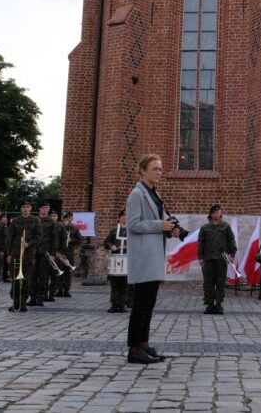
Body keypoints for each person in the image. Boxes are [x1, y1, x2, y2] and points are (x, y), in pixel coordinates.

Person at [126, 153, 181, 365]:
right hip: (144, 257)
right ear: (142, 171)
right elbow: (133, 224)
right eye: (155, 169)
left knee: (148, 304)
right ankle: (134, 348)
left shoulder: (154, 193)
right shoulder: (136, 195)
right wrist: (161, 226)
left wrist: (169, 230)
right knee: (141, 304)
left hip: (154, 254)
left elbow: (156, 222)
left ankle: (144, 344)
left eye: (160, 169)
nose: (159, 172)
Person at [198, 204, 237, 315]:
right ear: (211, 214)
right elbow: (201, 243)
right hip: (208, 259)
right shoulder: (205, 228)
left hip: (221, 258)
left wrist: (232, 254)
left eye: (218, 212)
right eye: (214, 212)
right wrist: (200, 257)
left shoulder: (226, 227)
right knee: (208, 283)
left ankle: (218, 304)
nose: (216, 214)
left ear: (221, 214)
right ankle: (210, 305)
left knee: (220, 282)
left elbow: (231, 241)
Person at [5, 199, 41, 312]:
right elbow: (9, 238)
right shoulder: (15, 221)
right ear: (21, 209)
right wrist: (9, 254)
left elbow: (38, 237)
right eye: (23, 207)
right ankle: (15, 303)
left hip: (28, 254)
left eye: (28, 207)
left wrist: (28, 244)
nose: (25, 209)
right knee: (15, 279)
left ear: (31, 208)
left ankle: (23, 303)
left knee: (26, 280)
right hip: (15, 253)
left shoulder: (35, 221)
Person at [104, 210, 129, 313]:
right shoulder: (114, 230)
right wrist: (111, 246)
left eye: (126, 216)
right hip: (115, 260)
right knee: (114, 284)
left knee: (124, 284)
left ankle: (122, 305)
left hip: (127, 260)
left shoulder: (131, 231)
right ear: (119, 218)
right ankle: (114, 305)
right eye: (122, 216)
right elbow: (106, 242)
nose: (124, 218)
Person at [33, 202, 58, 305]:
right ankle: (32, 298)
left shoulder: (52, 222)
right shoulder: (33, 220)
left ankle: (40, 298)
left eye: (46, 208)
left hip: (45, 253)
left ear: (48, 209)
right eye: (42, 207)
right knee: (32, 276)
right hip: (33, 251)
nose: (44, 209)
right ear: (39, 209)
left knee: (43, 276)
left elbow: (54, 239)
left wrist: (53, 253)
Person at [58, 212, 80, 298]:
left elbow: (79, 240)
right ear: (63, 219)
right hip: (60, 252)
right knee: (59, 271)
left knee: (67, 272)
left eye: (69, 218)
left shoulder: (74, 228)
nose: (67, 219)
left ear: (72, 219)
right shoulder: (59, 227)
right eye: (66, 218)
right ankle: (59, 290)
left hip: (69, 252)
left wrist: (72, 240)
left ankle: (66, 290)